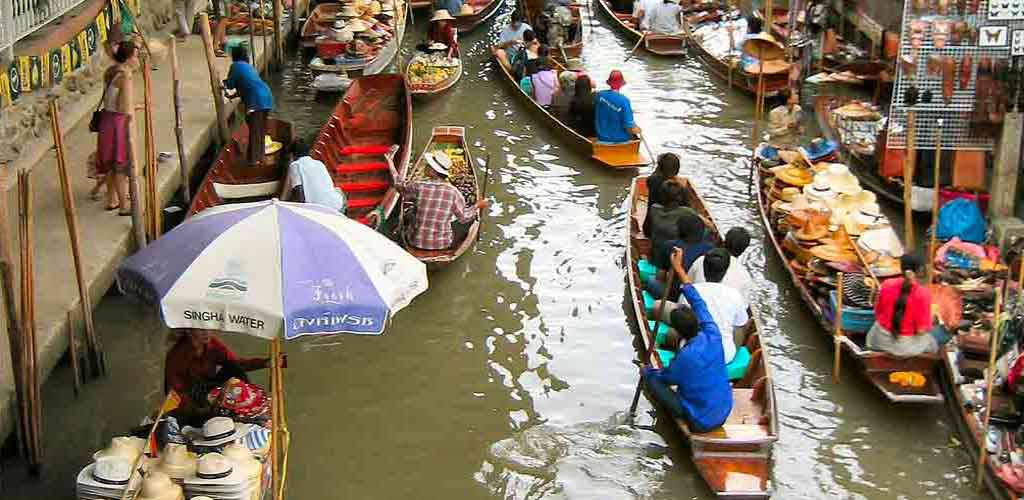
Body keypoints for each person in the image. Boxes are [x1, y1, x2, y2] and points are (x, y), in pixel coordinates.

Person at [641, 248, 733, 433]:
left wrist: (648, 371)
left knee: (652, 379)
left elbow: (666, 378)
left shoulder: (685, 357)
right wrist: (679, 269)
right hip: (725, 410)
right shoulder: (713, 333)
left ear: (676, 331)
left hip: (701, 422)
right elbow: (698, 302)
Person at [165, 329, 270, 422]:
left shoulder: (213, 344)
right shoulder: (176, 355)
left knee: (233, 367)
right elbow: (175, 391)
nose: (207, 333)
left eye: (209, 329)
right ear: (189, 331)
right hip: (190, 394)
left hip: (209, 385)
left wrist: (265, 363)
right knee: (197, 416)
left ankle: (245, 400)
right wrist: (206, 410)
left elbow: (236, 363)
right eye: (201, 330)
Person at [400, 152, 489, 250]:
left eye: (428, 166)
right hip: (442, 244)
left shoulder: (418, 185)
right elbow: (463, 218)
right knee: (466, 221)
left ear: (433, 171)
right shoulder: (454, 192)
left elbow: (401, 188)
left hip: (414, 242)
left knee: (410, 212)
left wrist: (391, 163)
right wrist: (477, 205)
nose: (425, 167)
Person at [866, 254, 947, 356]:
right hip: (904, 347)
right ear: (921, 270)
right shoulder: (922, 294)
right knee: (943, 333)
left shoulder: (887, 284)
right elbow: (921, 331)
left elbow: (878, 313)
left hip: (877, 340)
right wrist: (931, 318)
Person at [96, 41, 140, 216]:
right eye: (136, 56)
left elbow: (111, 99)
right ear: (129, 58)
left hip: (107, 119)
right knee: (120, 165)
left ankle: (111, 199)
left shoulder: (111, 71)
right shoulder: (125, 76)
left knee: (110, 164)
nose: (138, 59)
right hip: (118, 122)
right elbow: (123, 106)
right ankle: (123, 205)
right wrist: (135, 108)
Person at [224, 45, 274, 168]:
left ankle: (253, 161)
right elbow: (246, 86)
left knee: (255, 131)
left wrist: (224, 83)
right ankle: (260, 157)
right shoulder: (248, 67)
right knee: (260, 130)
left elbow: (230, 84)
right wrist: (233, 96)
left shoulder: (235, 66)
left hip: (256, 101)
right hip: (266, 98)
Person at [689, 227, 754, 302]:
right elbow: (743, 305)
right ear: (743, 250)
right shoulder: (745, 276)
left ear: (724, 242)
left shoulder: (702, 259)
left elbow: (688, 282)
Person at [283, 140, 347, 214]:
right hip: (336, 205)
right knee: (339, 192)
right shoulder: (319, 163)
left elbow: (299, 192)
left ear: (293, 155)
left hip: (317, 209)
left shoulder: (295, 165)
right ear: (309, 152)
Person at [645, 178, 698, 248]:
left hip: (658, 251)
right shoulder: (687, 211)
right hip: (676, 252)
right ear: (681, 197)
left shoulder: (654, 208)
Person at [594, 70, 641, 144]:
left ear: (609, 83)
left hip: (601, 138)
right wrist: (638, 129)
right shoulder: (624, 101)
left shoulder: (599, 95)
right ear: (621, 84)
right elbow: (629, 126)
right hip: (621, 141)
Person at [644, 153, 681, 226]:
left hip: (650, 227)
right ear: (676, 169)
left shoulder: (651, 180)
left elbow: (654, 176)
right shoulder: (679, 188)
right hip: (672, 230)